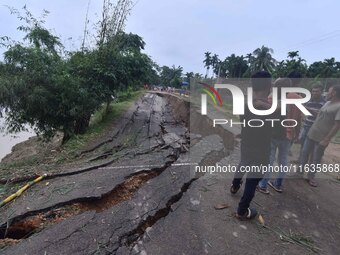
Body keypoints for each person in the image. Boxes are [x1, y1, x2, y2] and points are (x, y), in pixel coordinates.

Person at [230, 71, 273, 220]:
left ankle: (235, 185)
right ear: (269, 86)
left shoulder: (244, 103)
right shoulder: (272, 108)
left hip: (247, 142)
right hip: (262, 147)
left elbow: (244, 122)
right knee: (253, 179)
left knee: (243, 163)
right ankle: (242, 211)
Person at [300, 85, 340, 187]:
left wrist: (327, 139)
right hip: (312, 133)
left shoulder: (338, 106)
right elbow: (319, 115)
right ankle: (299, 172)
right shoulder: (327, 103)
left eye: (329, 91)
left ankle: (311, 177)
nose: (327, 93)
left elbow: (337, 125)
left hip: (322, 137)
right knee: (304, 153)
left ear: (334, 93)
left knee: (316, 158)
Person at [257, 78, 292, 194]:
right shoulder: (287, 100)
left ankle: (263, 184)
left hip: (275, 134)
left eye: (275, 86)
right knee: (283, 160)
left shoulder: (281, 101)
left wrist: (260, 102)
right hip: (285, 134)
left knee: (270, 160)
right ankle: (278, 184)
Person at [297, 84, 326, 163]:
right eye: (313, 91)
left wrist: (307, 109)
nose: (314, 93)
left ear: (321, 92)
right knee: (303, 147)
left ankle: (310, 166)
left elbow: (319, 115)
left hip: (316, 129)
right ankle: (300, 161)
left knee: (312, 150)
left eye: (317, 91)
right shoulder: (310, 101)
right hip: (306, 126)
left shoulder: (324, 103)